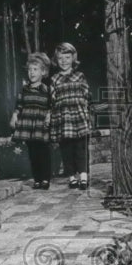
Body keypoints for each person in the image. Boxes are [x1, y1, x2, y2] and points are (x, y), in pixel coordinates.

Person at [49, 42, 92, 190]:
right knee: (67, 149)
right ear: (56, 59)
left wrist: (83, 107)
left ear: (73, 58)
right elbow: (52, 98)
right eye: (60, 58)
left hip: (79, 116)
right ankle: (72, 176)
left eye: (67, 57)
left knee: (81, 147)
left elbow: (86, 94)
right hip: (63, 118)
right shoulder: (54, 79)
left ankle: (84, 176)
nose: (64, 61)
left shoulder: (80, 76)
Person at [9, 53, 52, 189]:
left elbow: (51, 106)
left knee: (43, 152)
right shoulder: (24, 89)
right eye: (30, 69)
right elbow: (19, 105)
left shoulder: (47, 90)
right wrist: (14, 116)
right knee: (32, 153)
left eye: (35, 69)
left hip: (41, 125)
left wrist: (49, 116)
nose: (32, 72)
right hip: (28, 125)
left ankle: (45, 178)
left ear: (43, 72)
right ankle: (37, 179)